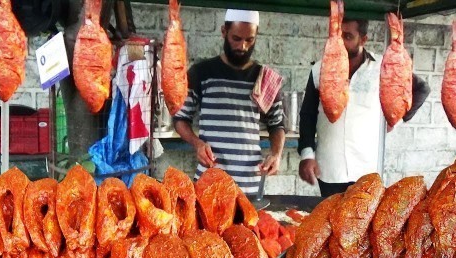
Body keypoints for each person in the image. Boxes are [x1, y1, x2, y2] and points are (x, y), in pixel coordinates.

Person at [298, 18, 431, 197]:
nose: (341, 42)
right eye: (337, 36)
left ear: (363, 39)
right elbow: (308, 114)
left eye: (348, 36)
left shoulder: (382, 66)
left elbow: (421, 88)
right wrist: (307, 154)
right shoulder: (320, 69)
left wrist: (395, 119)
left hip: (367, 168)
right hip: (330, 167)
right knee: (330, 222)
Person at [173, 9, 286, 196]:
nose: (242, 46)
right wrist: (197, 143)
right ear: (224, 32)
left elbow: (277, 124)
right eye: (236, 38)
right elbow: (180, 119)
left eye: (249, 40)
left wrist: (276, 154)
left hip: (249, 185)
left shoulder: (264, 77)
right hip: (209, 183)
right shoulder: (201, 72)